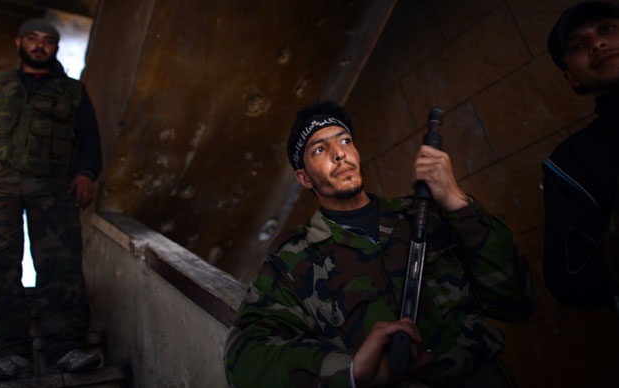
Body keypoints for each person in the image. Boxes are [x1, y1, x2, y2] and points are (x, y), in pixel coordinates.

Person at [223, 101, 536, 387]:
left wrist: (457, 202)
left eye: (345, 141)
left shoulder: (425, 215)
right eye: (320, 149)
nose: (339, 153)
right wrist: (350, 369)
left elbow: (517, 301)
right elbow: (245, 357)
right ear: (304, 178)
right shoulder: (294, 260)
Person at [0, 19, 102, 382]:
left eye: (48, 41)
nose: (40, 46)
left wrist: (86, 173)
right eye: (33, 39)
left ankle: (68, 348)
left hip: (52, 186)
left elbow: (89, 138)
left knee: (61, 265)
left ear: (55, 48)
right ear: (19, 42)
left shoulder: (72, 92)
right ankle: (8, 353)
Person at [543, 1, 619, 311]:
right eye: (577, 44)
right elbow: (568, 281)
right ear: (571, 77)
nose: (597, 44)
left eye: (607, 29)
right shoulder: (570, 163)